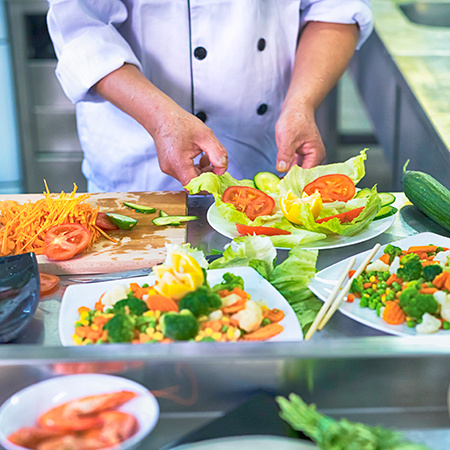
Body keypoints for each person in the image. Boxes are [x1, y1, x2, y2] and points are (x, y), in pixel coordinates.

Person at [46, 1, 373, 193]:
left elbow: (337, 8)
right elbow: (82, 28)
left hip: (267, 152)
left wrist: (302, 102)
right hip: (139, 158)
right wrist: (160, 119)